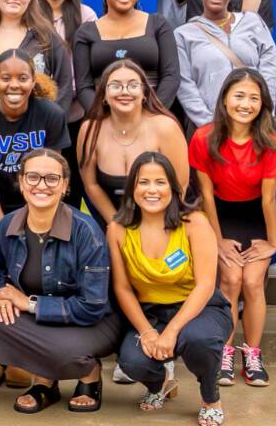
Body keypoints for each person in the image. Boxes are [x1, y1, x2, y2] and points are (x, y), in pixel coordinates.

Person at [0, 150, 119, 414]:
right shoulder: (7, 226)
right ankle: (46, 380)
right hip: (40, 322)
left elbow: (91, 306)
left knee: (68, 353)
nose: (41, 185)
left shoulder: (86, 231)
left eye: (51, 178)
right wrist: (0, 291)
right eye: (33, 177)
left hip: (93, 321)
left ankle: (88, 374)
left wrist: (28, 303)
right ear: (21, 182)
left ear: (65, 186)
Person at [108, 152, 230, 425]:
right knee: (132, 362)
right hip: (150, 313)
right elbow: (123, 288)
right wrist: (148, 332)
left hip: (199, 308)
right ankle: (160, 384)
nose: (152, 190)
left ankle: (211, 397)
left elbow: (206, 285)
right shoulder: (117, 228)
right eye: (143, 182)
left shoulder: (194, 222)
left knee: (200, 340)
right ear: (132, 188)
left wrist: (172, 331)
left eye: (160, 182)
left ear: (174, 188)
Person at [188, 69, 276, 388]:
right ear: (225, 99)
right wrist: (217, 240)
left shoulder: (270, 140)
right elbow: (205, 196)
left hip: (255, 215)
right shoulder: (204, 138)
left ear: (263, 104)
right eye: (239, 96)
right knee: (230, 280)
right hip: (220, 214)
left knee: (253, 281)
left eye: (254, 98)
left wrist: (272, 242)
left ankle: (252, 354)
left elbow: (269, 200)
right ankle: (225, 352)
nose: (246, 104)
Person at [0, 50, 73, 234]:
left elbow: (52, 174)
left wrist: (35, 223)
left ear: (33, 81)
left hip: (40, 203)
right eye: (6, 78)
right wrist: (2, 230)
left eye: (22, 78)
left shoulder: (51, 115)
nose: (14, 85)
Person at [74, 59, 189, 229]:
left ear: (144, 94)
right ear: (104, 95)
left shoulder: (166, 128)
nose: (125, 91)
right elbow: (91, 184)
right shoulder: (90, 130)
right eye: (116, 86)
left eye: (133, 85)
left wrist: (153, 226)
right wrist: (115, 224)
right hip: (112, 221)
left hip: (164, 219)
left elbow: (180, 185)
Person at [174, 0, 276, 130]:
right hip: (210, 129)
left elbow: (270, 68)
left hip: (254, 124)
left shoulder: (253, 22)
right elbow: (185, 84)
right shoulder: (184, 35)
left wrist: (265, 111)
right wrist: (208, 125)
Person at [72, 0, 182, 116]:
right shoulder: (86, 32)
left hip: (153, 117)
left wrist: (151, 113)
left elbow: (171, 77)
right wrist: (106, 118)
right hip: (104, 120)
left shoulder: (158, 24)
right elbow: (84, 86)